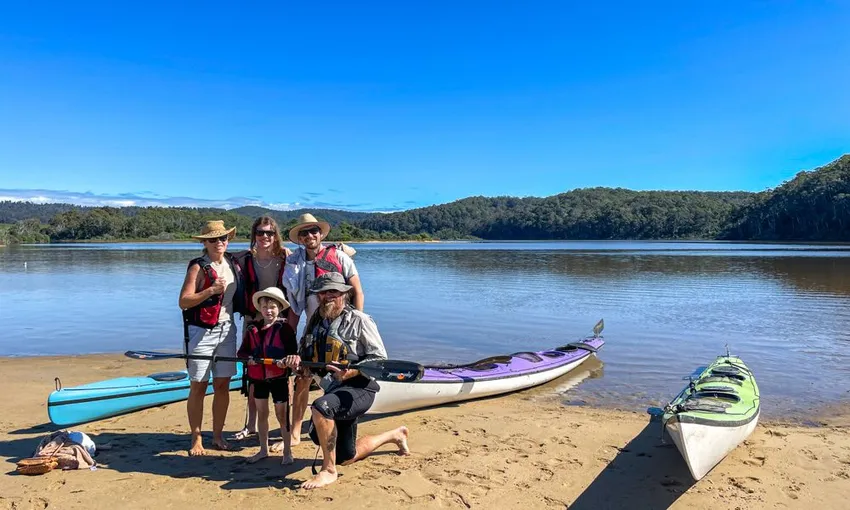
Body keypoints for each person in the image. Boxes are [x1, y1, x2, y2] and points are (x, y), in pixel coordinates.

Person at [292, 272, 410, 490]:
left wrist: (352, 372)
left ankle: (328, 471)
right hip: (335, 390)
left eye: (333, 292)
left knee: (321, 408)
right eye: (323, 292)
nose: (327, 296)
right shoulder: (315, 321)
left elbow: (380, 358)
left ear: (344, 294)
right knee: (346, 456)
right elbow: (306, 356)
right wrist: (296, 362)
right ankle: (395, 435)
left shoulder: (360, 320)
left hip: (361, 388)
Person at [283, 213, 363, 445]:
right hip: (313, 327)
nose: (310, 236)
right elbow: (295, 305)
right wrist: (290, 335)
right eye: (304, 233)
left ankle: (340, 422)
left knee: (342, 375)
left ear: (320, 234)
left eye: (314, 231)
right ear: (299, 238)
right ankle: (296, 432)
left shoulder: (339, 256)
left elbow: (357, 290)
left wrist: (356, 322)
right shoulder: (295, 263)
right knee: (302, 378)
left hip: (341, 328)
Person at [178, 220, 244, 456]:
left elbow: (262, 252)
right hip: (200, 330)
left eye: (223, 238)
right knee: (198, 385)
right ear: (204, 243)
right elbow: (183, 301)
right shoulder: (197, 266)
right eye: (214, 239)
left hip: (228, 329)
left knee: (223, 384)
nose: (219, 243)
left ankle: (218, 436)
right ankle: (196, 439)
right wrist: (210, 291)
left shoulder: (233, 263)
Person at [230, 217, 292, 444]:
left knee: (281, 372)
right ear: (253, 235)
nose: (265, 237)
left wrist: (340, 247)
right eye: (260, 232)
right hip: (252, 322)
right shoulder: (244, 257)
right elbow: (219, 255)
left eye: (269, 233)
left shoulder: (286, 256)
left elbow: (315, 254)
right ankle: (251, 425)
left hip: (278, 321)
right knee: (253, 373)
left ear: (276, 235)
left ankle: (285, 428)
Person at [236, 287, 299, 465]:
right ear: (259, 309)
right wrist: (248, 359)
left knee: (282, 415)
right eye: (265, 307)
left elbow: (293, 354)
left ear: (279, 308)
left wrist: (286, 362)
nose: (268, 310)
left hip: (279, 379)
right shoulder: (252, 329)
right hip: (258, 379)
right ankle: (263, 450)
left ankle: (287, 452)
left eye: (272, 306)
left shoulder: (285, 329)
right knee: (262, 413)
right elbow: (242, 352)